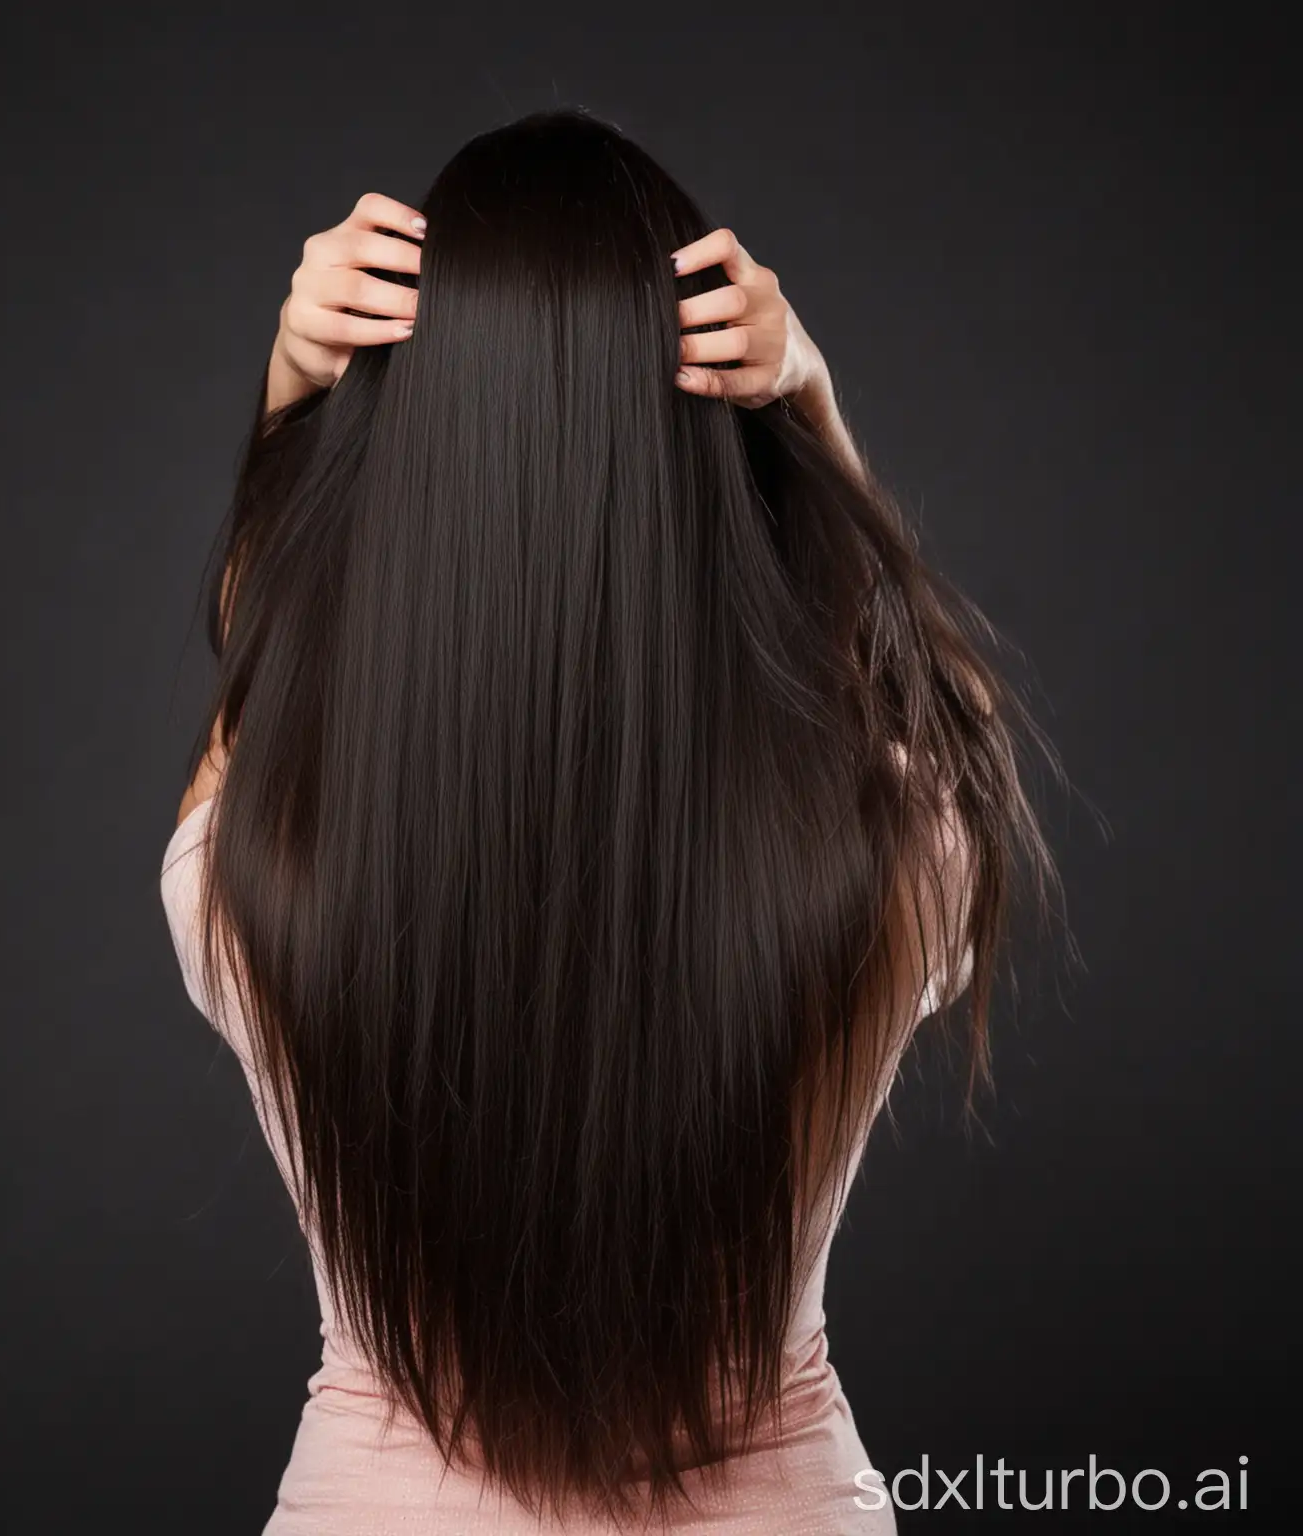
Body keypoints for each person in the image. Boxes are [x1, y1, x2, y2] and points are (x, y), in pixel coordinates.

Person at [160, 108, 1056, 1534]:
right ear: (722, 462)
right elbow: (947, 730)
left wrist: (294, 413)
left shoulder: (255, 883)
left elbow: (267, 685)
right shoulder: (885, 872)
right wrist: (812, 408)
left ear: (402, 472)